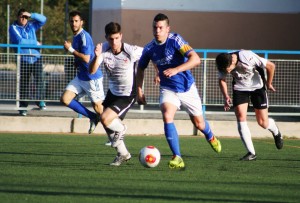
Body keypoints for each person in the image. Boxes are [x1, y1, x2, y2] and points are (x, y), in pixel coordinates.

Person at [136, 13, 221, 169]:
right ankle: (177, 157)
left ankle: (210, 136)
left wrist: (176, 69)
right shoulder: (149, 48)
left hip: (187, 88)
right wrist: (139, 90)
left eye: (161, 27)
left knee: (199, 123)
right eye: (155, 27)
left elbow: (195, 59)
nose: (157, 30)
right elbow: (140, 68)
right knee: (167, 114)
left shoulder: (175, 40)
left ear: (167, 29)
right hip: (168, 89)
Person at [89, 22, 143, 166]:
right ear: (106, 38)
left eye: (117, 38)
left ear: (121, 36)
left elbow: (149, 54)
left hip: (127, 94)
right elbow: (92, 70)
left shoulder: (130, 50)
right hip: (113, 92)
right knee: (104, 120)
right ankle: (123, 154)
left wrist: (157, 72)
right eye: (111, 39)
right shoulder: (103, 50)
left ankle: (122, 129)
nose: (114, 42)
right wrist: (96, 56)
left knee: (106, 119)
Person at [215, 50, 283, 161]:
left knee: (263, 123)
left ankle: (275, 131)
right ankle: (251, 153)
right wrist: (226, 96)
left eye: (227, 69)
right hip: (240, 88)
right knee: (241, 117)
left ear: (232, 62)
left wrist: (269, 83)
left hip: (257, 87)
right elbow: (222, 80)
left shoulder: (247, 56)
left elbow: (271, 66)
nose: (226, 71)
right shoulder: (223, 62)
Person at [60, 10, 104, 134]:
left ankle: (117, 131)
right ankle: (92, 117)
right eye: (71, 21)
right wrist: (76, 62)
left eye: (76, 21)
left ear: (82, 22)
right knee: (65, 99)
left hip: (92, 78)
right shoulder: (76, 37)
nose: (73, 23)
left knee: (99, 108)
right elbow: (82, 59)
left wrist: (70, 49)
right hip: (81, 77)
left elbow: (86, 58)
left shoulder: (84, 36)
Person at [9, 8, 47, 116]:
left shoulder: (31, 25)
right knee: (24, 83)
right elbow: (20, 41)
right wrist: (35, 43)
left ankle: (40, 101)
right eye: (22, 16)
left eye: (26, 17)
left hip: (36, 58)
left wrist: (32, 14)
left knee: (40, 80)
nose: (24, 19)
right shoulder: (13, 27)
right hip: (24, 59)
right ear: (17, 17)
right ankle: (23, 107)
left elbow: (43, 20)